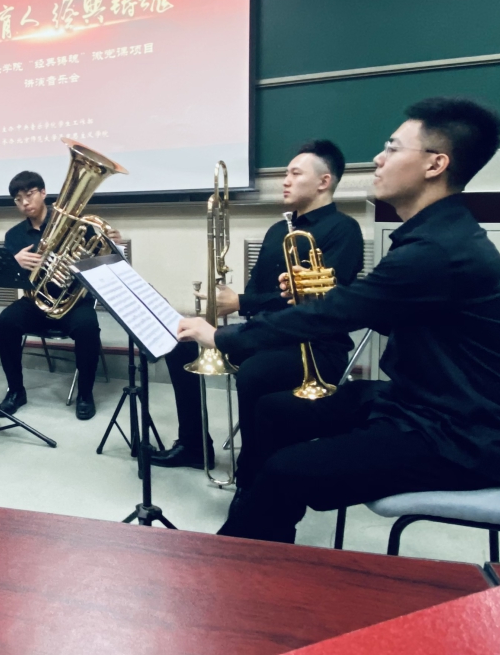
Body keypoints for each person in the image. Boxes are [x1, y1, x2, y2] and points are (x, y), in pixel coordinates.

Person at [177, 98, 500, 543]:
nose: (378, 159)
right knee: (274, 411)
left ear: (435, 164)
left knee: (285, 470)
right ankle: (256, 527)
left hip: (454, 436)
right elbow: (382, 315)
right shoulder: (435, 235)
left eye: (392, 148)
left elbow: (338, 313)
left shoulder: (436, 250)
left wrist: (221, 337)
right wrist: (322, 298)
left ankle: (238, 555)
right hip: (414, 402)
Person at [154, 141, 364, 468]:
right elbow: (257, 289)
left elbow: (321, 305)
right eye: (285, 173)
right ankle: (194, 445)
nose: (285, 180)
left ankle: (252, 471)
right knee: (181, 343)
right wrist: (234, 304)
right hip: (264, 334)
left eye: (295, 174)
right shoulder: (277, 230)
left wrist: (241, 302)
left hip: (317, 347)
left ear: (324, 181)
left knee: (254, 373)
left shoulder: (344, 230)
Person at [0, 170, 104, 421]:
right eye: (18, 199)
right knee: (5, 322)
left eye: (29, 194)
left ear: (43, 193)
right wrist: (14, 262)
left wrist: (108, 244)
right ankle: (16, 391)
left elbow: (99, 260)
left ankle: (85, 394)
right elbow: (9, 278)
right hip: (36, 301)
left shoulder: (75, 225)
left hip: (73, 301)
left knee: (88, 326)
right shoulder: (14, 236)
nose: (24, 202)